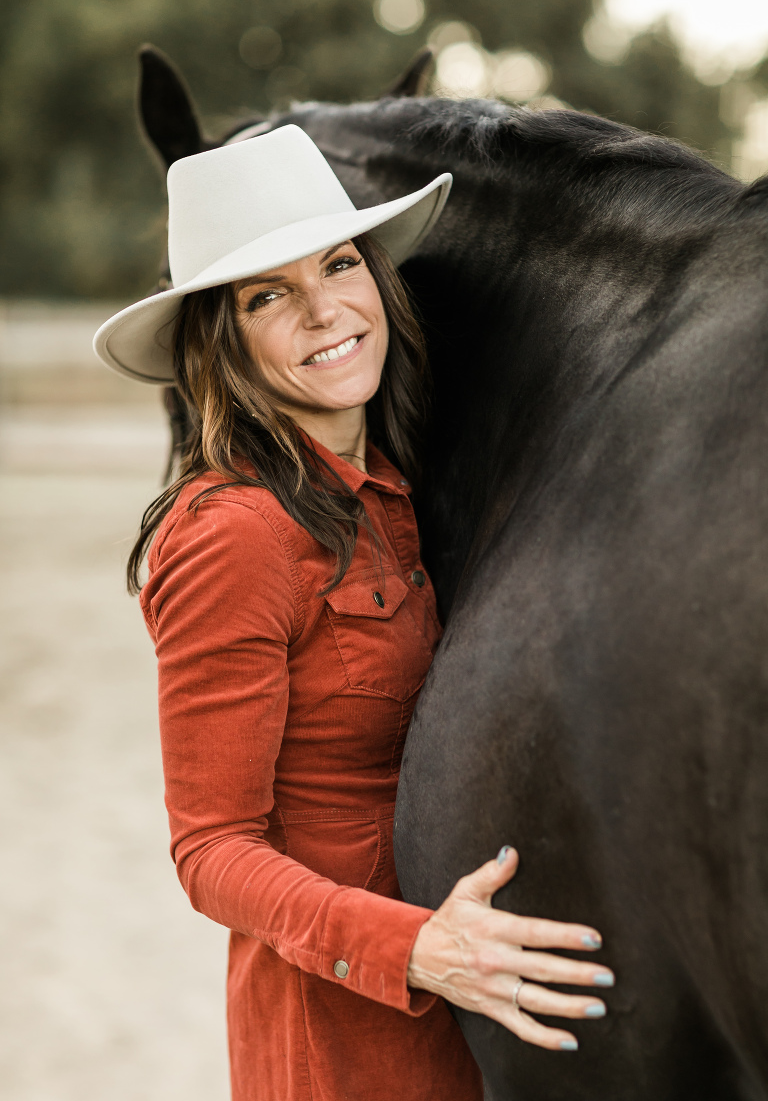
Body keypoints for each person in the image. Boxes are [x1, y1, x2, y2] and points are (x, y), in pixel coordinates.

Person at [93, 125, 614, 1101]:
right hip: (346, 1036)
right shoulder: (236, 534)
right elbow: (211, 852)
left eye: (338, 264)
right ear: (222, 338)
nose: (325, 309)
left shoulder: (390, 491)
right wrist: (421, 948)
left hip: (464, 1010)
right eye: (268, 295)